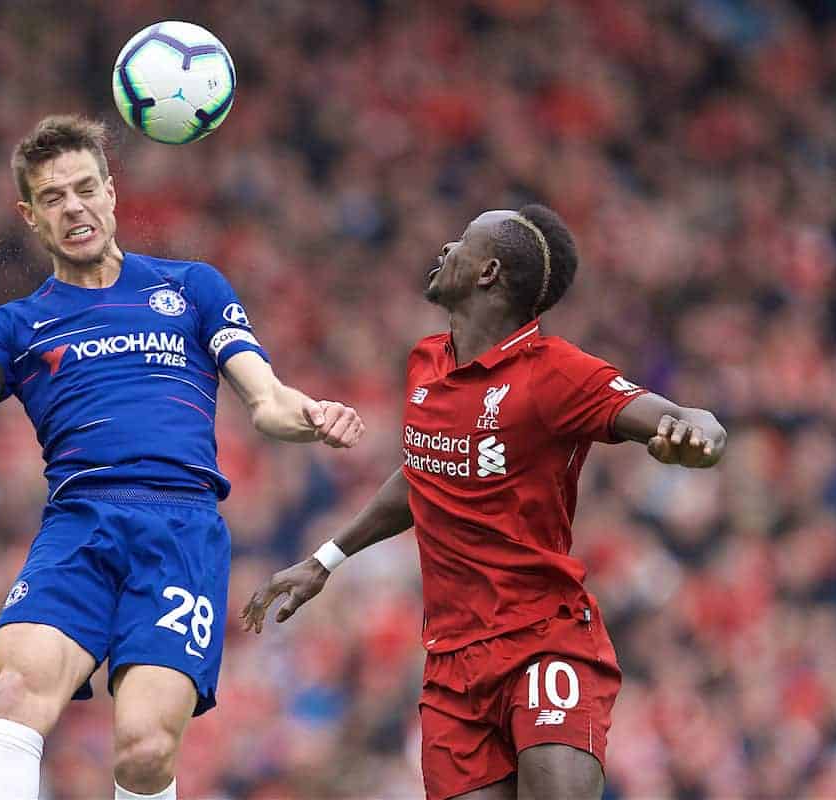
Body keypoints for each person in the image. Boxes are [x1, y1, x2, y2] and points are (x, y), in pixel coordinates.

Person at [0, 113, 364, 800]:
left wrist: (312, 416)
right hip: (79, 525)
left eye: (84, 188)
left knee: (143, 751)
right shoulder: (15, 326)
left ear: (110, 193)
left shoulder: (193, 288)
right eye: (52, 196)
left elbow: (268, 399)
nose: (73, 206)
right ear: (30, 217)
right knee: (13, 695)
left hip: (180, 529)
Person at [242, 205, 727, 800]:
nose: (444, 248)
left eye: (460, 243)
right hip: (451, 672)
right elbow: (424, 474)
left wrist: (698, 437)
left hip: (544, 640)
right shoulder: (426, 361)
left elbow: (682, 417)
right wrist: (325, 560)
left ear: (488, 271)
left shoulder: (555, 373)